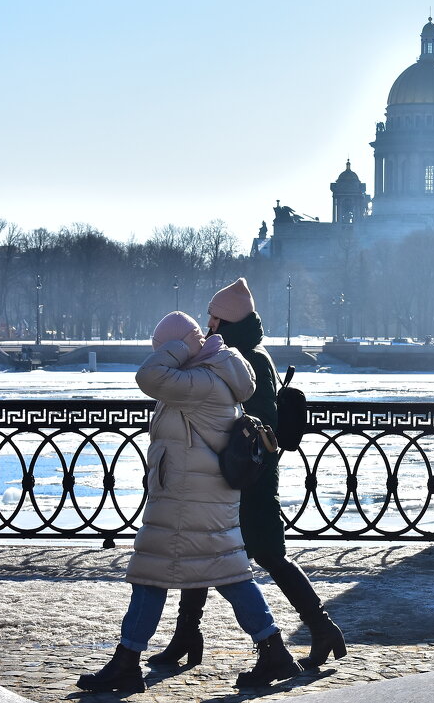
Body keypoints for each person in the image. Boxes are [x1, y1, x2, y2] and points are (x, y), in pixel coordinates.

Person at [77, 312, 300, 693]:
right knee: (214, 575)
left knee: (170, 576)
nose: (161, 355)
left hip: (189, 500)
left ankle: (128, 661)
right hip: (193, 496)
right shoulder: (210, 372)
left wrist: (182, 345)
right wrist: (188, 345)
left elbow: (147, 377)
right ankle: (272, 650)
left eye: (164, 348)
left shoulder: (201, 379)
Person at [149, 279, 346, 670]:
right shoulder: (247, 354)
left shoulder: (244, 360)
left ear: (228, 320)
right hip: (241, 473)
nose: (208, 324)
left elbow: (243, 420)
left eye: (214, 317)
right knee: (205, 549)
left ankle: (320, 629)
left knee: (265, 555)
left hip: (246, 478)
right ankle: (187, 636)